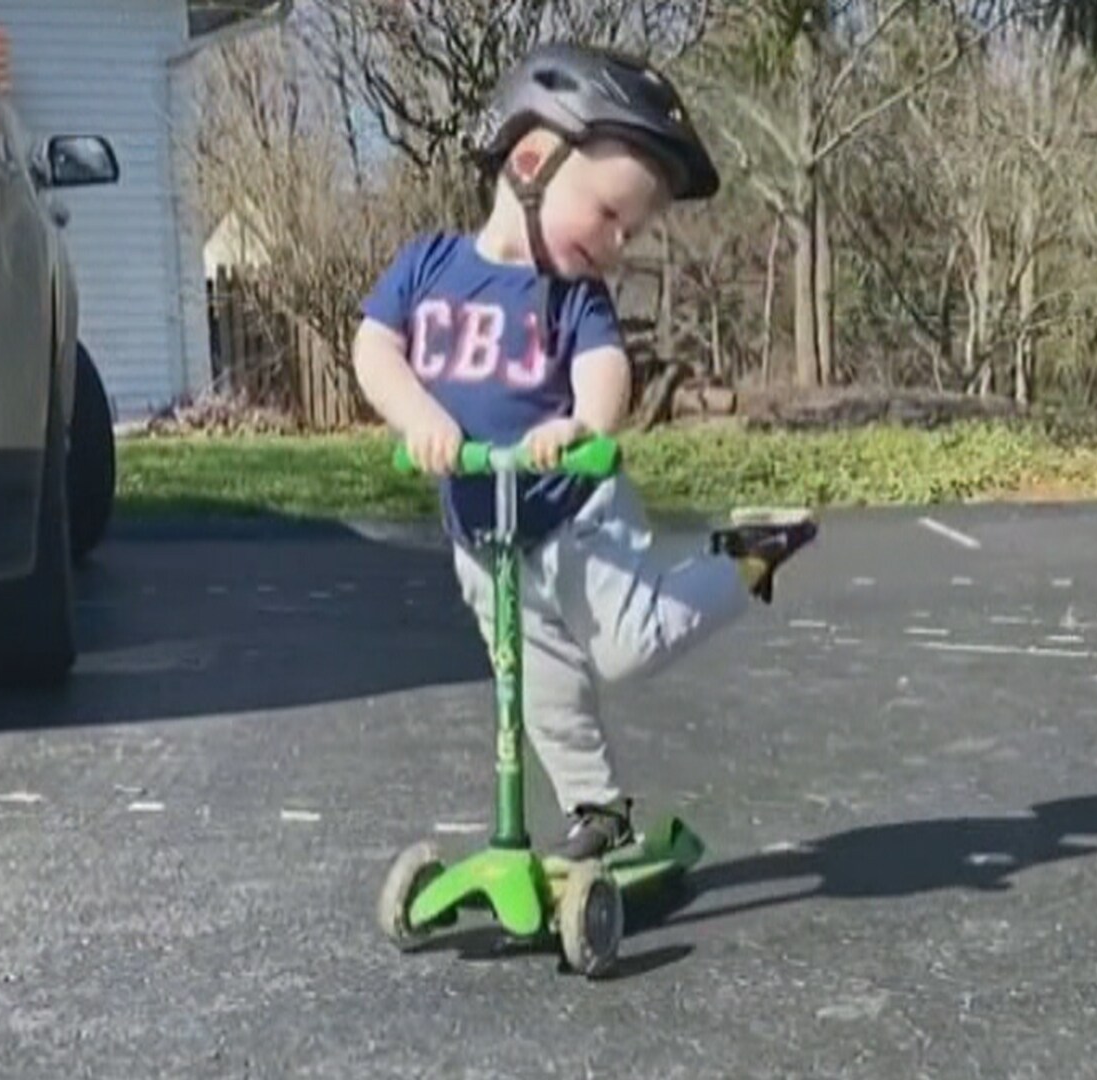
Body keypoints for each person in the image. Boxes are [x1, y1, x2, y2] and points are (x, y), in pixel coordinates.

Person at [350, 41, 818, 860]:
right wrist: (416, 416)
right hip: (483, 532)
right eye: (608, 216)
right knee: (537, 688)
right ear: (533, 159)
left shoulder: (573, 296)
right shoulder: (427, 266)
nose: (615, 246)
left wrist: (585, 429)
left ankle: (751, 553)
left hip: (571, 511)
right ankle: (597, 811)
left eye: (629, 232)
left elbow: (606, 369)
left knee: (625, 651)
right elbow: (374, 350)